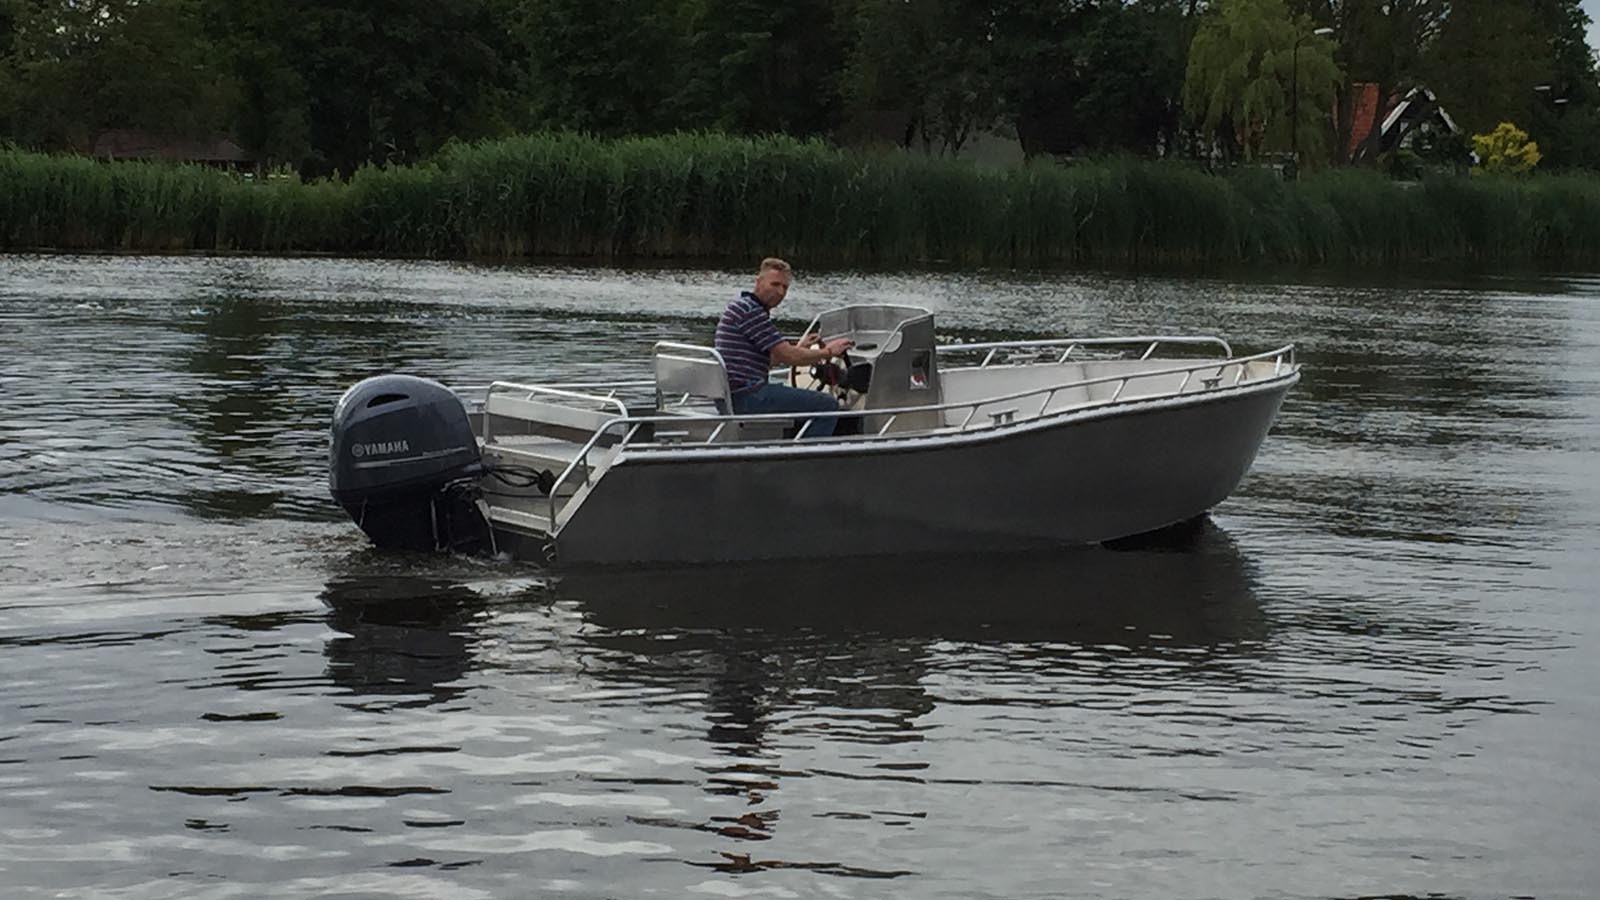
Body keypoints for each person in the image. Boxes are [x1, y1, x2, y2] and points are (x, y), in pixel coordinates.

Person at [714, 257, 852, 437]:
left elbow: (767, 359)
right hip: (748, 397)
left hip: (733, 396)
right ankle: (807, 459)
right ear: (759, 282)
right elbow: (789, 356)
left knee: (800, 399)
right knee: (827, 405)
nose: (780, 292)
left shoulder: (741, 307)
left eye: (785, 287)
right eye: (775, 284)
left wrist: (800, 347)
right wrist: (828, 352)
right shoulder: (752, 313)